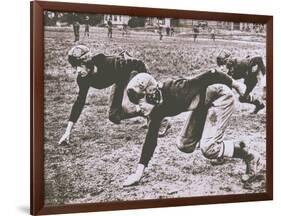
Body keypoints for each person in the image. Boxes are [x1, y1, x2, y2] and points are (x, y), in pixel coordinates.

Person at [123, 70, 260, 187]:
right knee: (184, 145)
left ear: (151, 92)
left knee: (208, 148)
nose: (139, 107)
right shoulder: (157, 108)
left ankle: (248, 154)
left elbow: (211, 74)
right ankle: (219, 146)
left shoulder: (176, 89)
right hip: (203, 104)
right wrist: (138, 173)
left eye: (140, 100)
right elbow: (150, 139)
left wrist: (235, 85)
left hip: (220, 97)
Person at [58, 45, 170, 145]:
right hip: (120, 80)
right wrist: (67, 132)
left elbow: (138, 64)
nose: (77, 70)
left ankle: (161, 119)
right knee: (114, 116)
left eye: (80, 65)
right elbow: (79, 102)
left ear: (88, 62)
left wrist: (144, 87)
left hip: (133, 72)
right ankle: (149, 116)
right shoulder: (83, 78)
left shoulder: (110, 62)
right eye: (75, 67)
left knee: (128, 106)